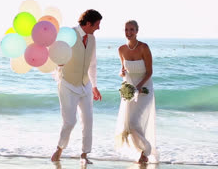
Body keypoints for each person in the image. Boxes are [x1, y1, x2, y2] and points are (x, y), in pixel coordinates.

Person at [51, 9, 103, 165]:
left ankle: (84, 154)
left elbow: (92, 64)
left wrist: (94, 86)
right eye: (97, 25)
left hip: (85, 85)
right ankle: (59, 149)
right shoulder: (69, 35)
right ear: (88, 23)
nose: (98, 28)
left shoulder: (92, 39)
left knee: (88, 120)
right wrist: (58, 68)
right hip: (67, 84)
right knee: (70, 122)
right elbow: (53, 56)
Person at [115, 20, 159, 164]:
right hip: (129, 90)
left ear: (137, 31)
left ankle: (146, 150)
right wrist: (122, 73)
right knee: (128, 124)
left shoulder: (144, 48)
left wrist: (139, 86)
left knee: (134, 122)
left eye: (132, 30)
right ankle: (143, 152)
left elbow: (150, 72)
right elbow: (123, 71)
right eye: (126, 30)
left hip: (144, 89)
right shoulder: (121, 49)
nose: (129, 33)